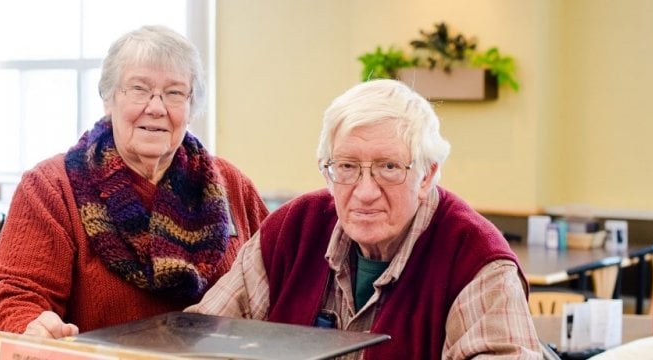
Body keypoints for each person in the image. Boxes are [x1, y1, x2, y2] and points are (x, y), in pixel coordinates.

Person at [187, 79, 541, 359]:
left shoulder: (475, 260)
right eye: (347, 167)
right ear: (328, 170)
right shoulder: (292, 231)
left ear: (427, 176)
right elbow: (199, 338)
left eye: (389, 167)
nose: (365, 191)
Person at [0, 25, 269, 339]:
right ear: (109, 100)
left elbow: (278, 276)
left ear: (191, 107)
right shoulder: (50, 187)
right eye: (138, 89)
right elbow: (15, 295)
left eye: (174, 93)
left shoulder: (232, 185)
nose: (156, 107)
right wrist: (33, 326)